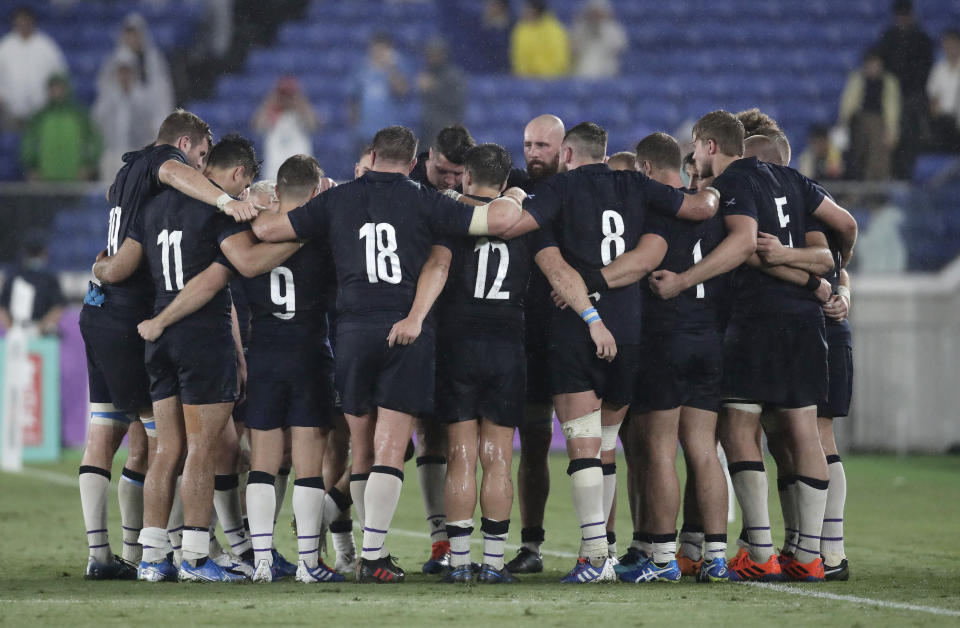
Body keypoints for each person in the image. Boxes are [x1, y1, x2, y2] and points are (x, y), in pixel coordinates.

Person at [251, 125, 541, 583]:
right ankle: (374, 556)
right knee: (391, 447)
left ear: (371, 156)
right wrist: (518, 193)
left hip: (350, 334)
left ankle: (327, 544)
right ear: (411, 163)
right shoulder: (427, 201)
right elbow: (496, 223)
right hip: (405, 332)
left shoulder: (335, 200)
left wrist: (252, 201)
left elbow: (267, 229)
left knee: (358, 446)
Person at [651, 111, 857, 582]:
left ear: (709, 146)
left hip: (754, 318)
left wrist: (683, 280)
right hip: (806, 322)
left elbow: (744, 245)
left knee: (738, 431)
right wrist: (824, 285)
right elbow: (835, 241)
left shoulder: (736, 180)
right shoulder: (794, 181)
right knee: (806, 430)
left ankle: (759, 550)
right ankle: (811, 555)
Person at [521, 122, 721, 583]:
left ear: (568, 153)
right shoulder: (639, 186)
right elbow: (692, 212)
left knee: (584, 446)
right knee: (609, 444)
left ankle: (595, 556)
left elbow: (536, 243)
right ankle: (627, 552)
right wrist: (712, 195)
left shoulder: (559, 189)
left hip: (577, 329)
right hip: (630, 330)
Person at [96, 135, 300, 583]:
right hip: (200, 338)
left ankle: (152, 558)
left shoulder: (153, 207)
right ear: (240, 174)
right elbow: (243, 265)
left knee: (165, 449)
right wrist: (303, 236)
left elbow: (124, 263)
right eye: (243, 187)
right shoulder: (217, 207)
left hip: (158, 336)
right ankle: (193, 556)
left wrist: (100, 271)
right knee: (203, 451)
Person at [435, 143, 532, 584]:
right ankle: (493, 564)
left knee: (461, 454)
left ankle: (458, 563)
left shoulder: (450, 217)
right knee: (497, 457)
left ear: (466, 178)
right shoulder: (524, 220)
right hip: (507, 346)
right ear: (507, 182)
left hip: (458, 345)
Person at [407, 123, 476, 572]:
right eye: (442, 171)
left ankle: (445, 542)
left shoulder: (480, 186)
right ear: (426, 157)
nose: (449, 181)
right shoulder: (400, 185)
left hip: (457, 327)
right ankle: (341, 530)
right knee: (398, 438)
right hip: (408, 323)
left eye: (456, 175)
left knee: (449, 433)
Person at [504, 114, 565, 575]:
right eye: (528, 144)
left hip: (571, 336)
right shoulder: (517, 188)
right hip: (521, 336)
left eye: (542, 145)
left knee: (595, 448)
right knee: (526, 445)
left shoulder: (579, 192)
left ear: (565, 150)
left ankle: (605, 546)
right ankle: (529, 545)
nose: (533, 153)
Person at [875, 0, 934, 177]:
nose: (902, 19)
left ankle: (906, 172)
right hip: (891, 93)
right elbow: (883, 68)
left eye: (905, 15)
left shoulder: (922, 39)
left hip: (915, 94)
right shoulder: (888, 38)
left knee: (909, 132)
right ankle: (891, 172)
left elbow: (926, 69)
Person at [99, 13, 175, 136]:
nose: (132, 38)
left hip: (150, 121)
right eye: (129, 34)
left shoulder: (153, 59)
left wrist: (161, 122)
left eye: (135, 34)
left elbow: (163, 92)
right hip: (121, 121)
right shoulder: (114, 62)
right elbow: (106, 91)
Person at [20, 74, 101, 182]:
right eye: (53, 88)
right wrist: (32, 167)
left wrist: (89, 165)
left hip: (75, 179)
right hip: (45, 180)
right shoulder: (39, 116)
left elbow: (93, 141)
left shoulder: (79, 115)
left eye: (59, 87)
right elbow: (29, 143)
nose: (56, 91)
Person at [93, 51, 157, 181]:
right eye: (121, 72)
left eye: (127, 72)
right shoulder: (106, 100)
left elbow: (151, 129)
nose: (124, 76)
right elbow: (97, 125)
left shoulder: (144, 99)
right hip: (111, 155)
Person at [839, 48, 901, 180]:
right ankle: (858, 184)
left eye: (876, 64)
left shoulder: (888, 82)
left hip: (880, 123)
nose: (873, 68)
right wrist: (843, 124)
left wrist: (891, 130)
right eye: (870, 64)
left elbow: (892, 108)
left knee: (878, 150)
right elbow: (848, 103)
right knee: (857, 154)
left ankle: (876, 185)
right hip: (858, 123)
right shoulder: (858, 79)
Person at [0, 6, 66, 129]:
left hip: (41, 110)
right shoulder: (5, 46)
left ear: (32, 21)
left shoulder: (46, 46)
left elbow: (59, 73)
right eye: (20, 20)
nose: (23, 23)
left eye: (26, 20)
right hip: (10, 111)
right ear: (14, 22)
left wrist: (55, 92)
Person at [349, 34, 411, 151]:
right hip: (366, 132)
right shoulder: (362, 68)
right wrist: (355, 127)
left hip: (391, 132)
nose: (378, 53)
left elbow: (402, 91)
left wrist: (390, 68)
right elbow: (354, 99)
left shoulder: (398, 66)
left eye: (382, 49)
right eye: (376, 49)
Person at [252, 77, 318, 180]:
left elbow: (313, 125)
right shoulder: (271, 113)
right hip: (274, 172)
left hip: (300, 172)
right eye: (283, 95)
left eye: (290, 95)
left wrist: (301, 104)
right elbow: (257, 126)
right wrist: (269, 103)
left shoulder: (301, 114)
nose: (286, 99)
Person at [0, 232, 65, 334]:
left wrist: (12, 330)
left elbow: (3, 308)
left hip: (20, 330)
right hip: (39, 332)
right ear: (45, 253)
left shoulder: (13, 275)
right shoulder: (49, 278)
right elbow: (58, 307)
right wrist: (38, 329)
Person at [417, 39, 467, 148]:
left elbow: (456, 101)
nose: (432, 57)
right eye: (429, 54)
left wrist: (434, 88)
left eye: (436, 54)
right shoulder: (426, 73)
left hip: (446, 129)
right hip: (427, 127)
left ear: (444, 55)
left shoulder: (454, 75)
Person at [510, 0, 570, 78]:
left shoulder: (555, 30)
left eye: (529, 10)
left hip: (552, 80)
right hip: (526, 79)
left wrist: (541, 73)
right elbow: (517, 57)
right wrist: (525, 73)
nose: (525, 12)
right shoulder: (521, 29)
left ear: (538, 11)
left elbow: (560, 60)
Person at [410, 124, 476, 193]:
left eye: (458, 174)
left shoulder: (475, 187)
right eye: (442, 171)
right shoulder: (406, 180)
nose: (449, 181)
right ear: (431, 154)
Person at [570, 0, 627, 78]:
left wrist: (602, 33)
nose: (595, 17)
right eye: (593, 14)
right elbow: (573, 50)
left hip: (607, 71)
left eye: (598, 14)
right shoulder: (579, 29)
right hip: (582, 72)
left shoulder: (614, 30)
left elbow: (619, 47)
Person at [926, 29, 960, 152]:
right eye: (947, 44)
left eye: (954, 44)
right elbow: (934, 97)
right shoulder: (938, 69)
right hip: (945, 122)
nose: (951, 48)